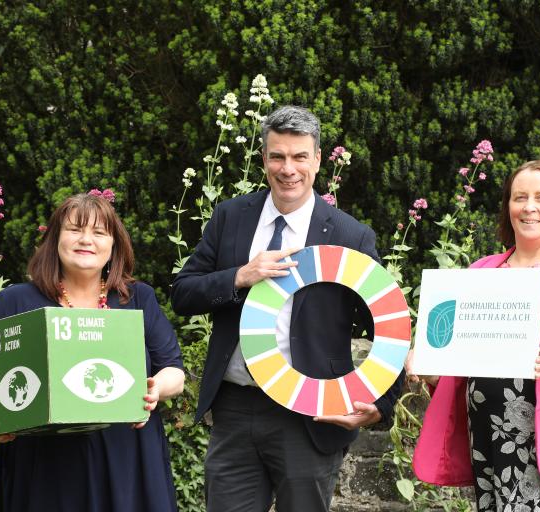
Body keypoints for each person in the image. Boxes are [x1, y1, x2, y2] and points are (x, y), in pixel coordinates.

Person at [171, 105, 403, 512]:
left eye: (299, 157)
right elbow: (183, 293)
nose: (287, 168)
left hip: (310, 414)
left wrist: (380, 406)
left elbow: (389, 324)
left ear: (317, 159)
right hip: (236, 406)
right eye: (277, 156)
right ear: (263, 159)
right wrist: (240, 275)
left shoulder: (350, 235)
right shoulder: (230, 217)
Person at [408, 160, 540, 511]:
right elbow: (452, 356)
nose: (529, 207)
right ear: (507, 206)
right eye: (519, 197)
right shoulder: (480, 270)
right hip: (491, 441)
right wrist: (428, 361)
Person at [0, 193, 186, 512]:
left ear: (114, 245)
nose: (86, 240)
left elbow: (173, 372)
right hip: (44, 468)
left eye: (99, 232)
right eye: (75, 230)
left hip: (127, 462)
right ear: (55, 239)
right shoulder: (15, 301)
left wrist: (156, 389)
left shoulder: (137, 299)